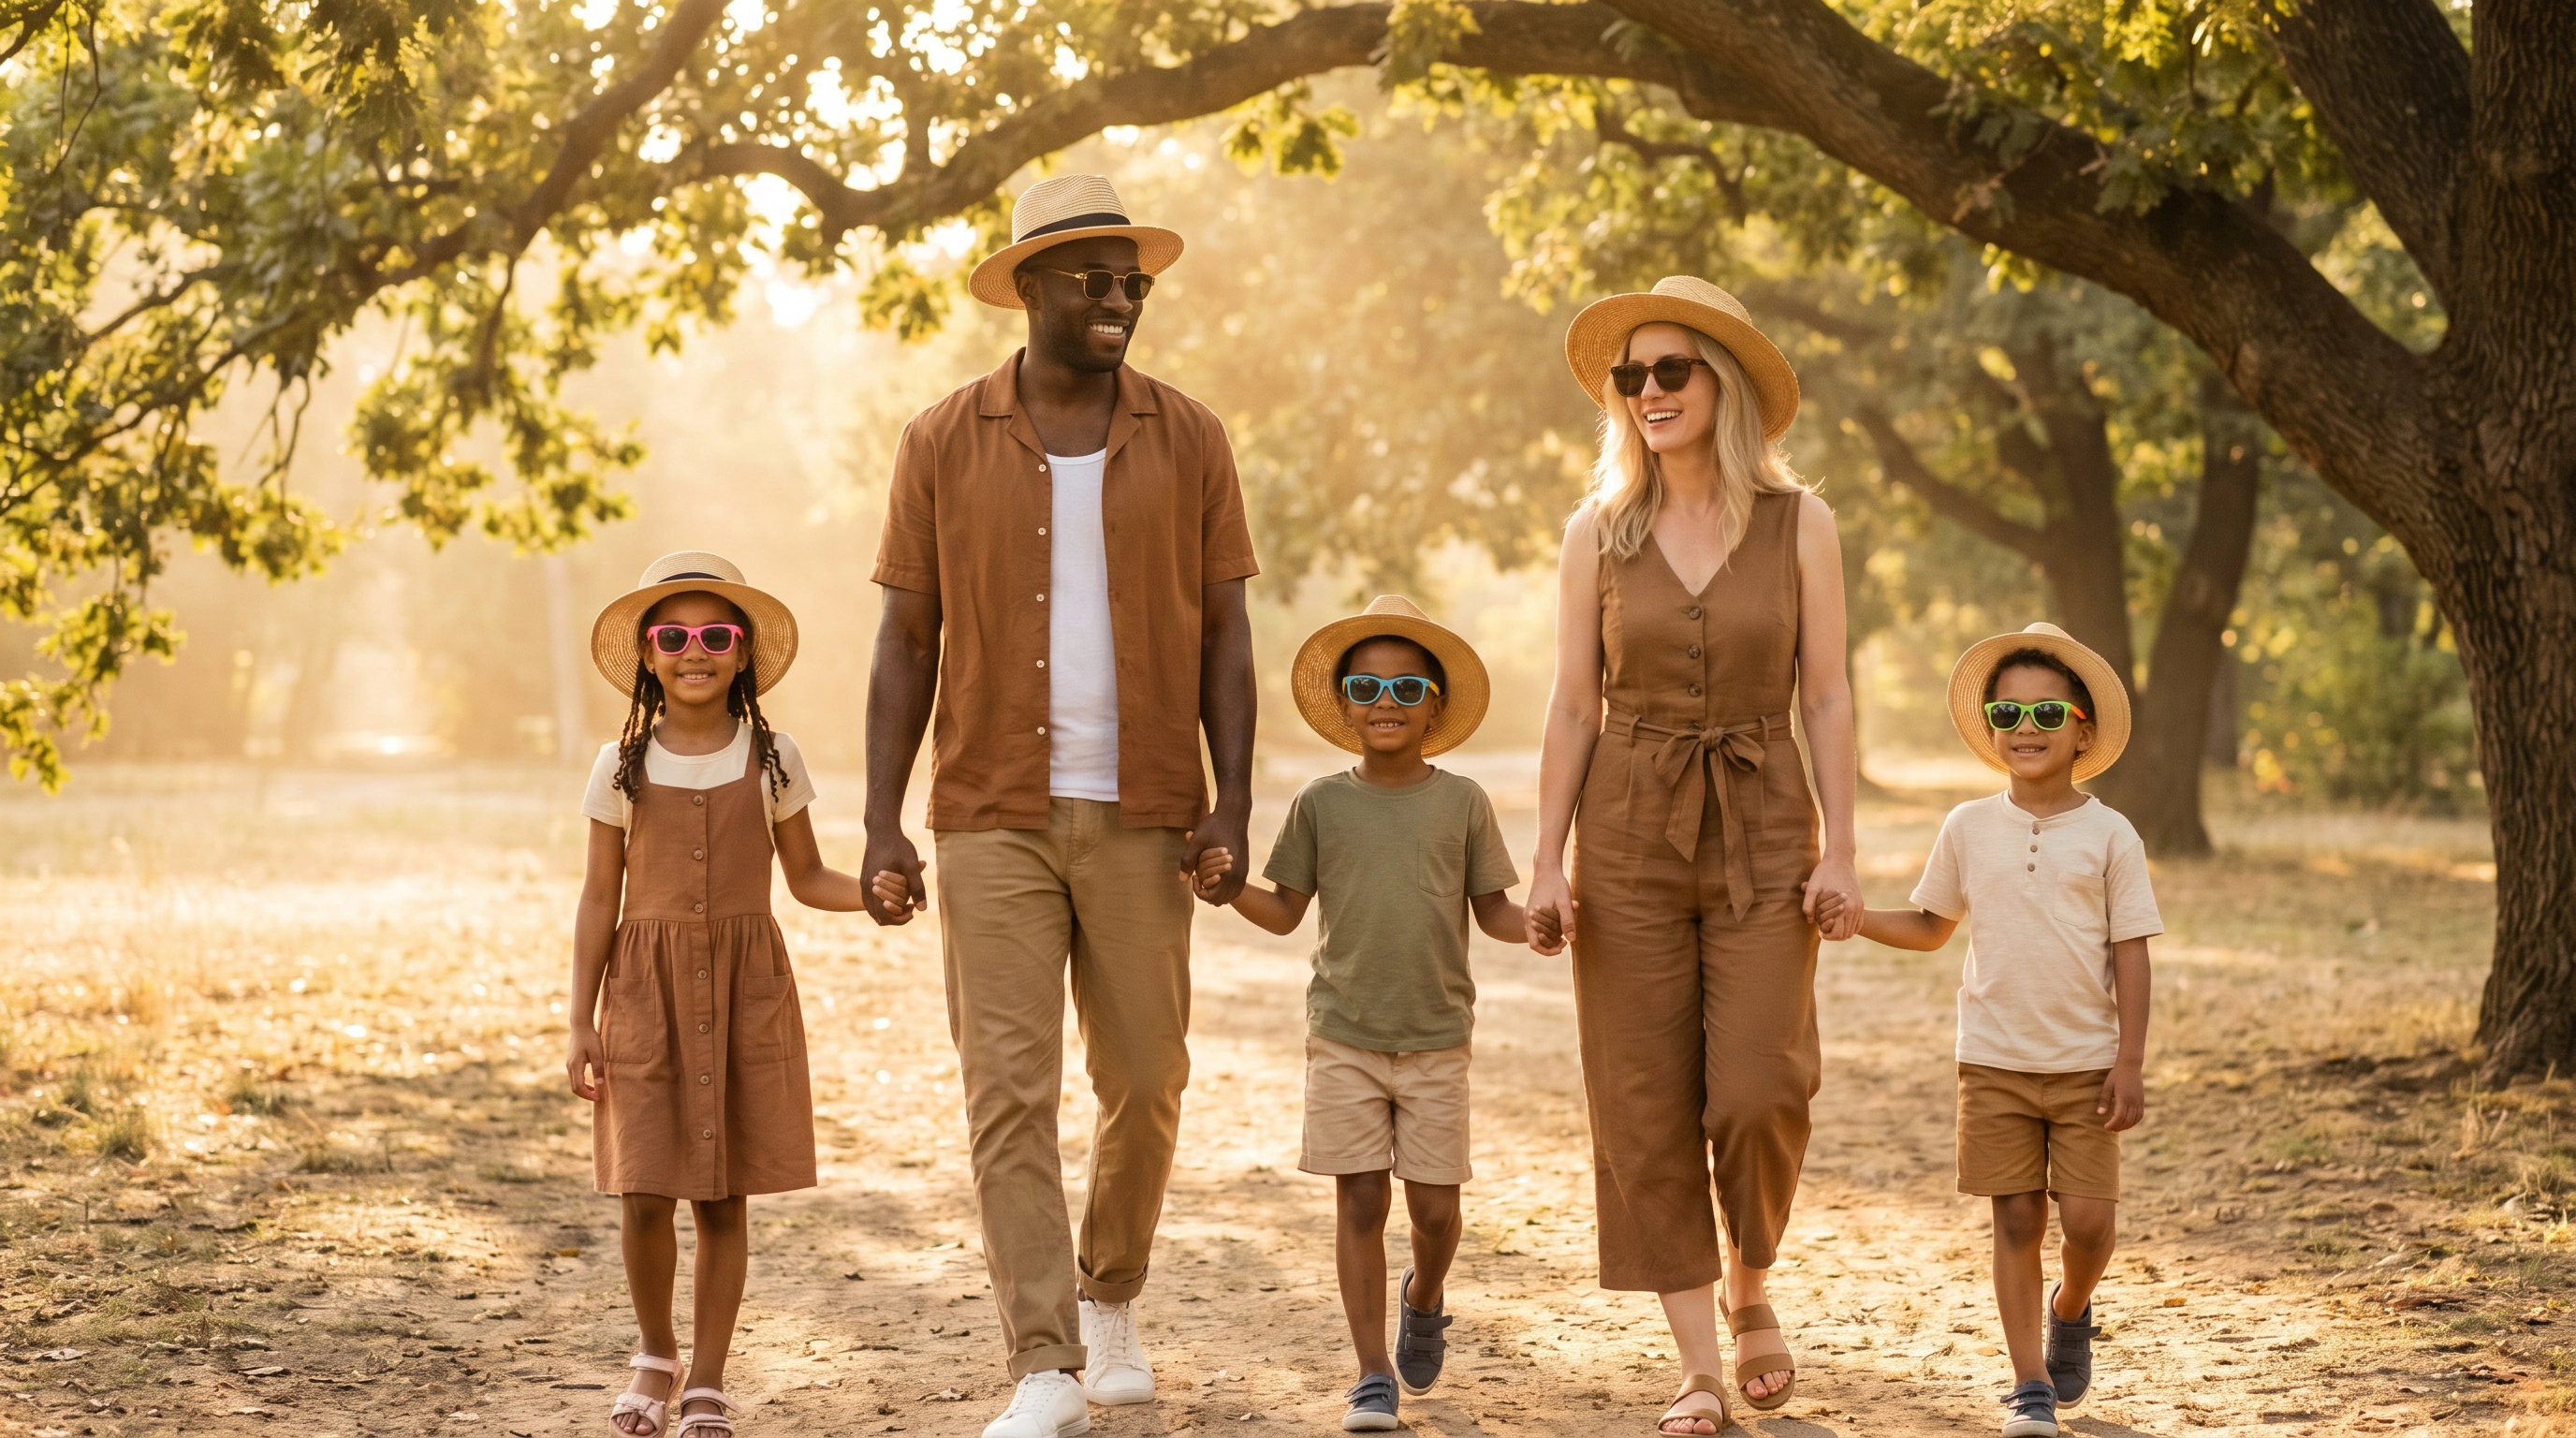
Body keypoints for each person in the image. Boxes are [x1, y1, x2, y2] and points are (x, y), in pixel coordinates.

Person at [860, 172, 1259, 1438]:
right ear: (1029, 286)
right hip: (991, 811)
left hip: (1146, 809)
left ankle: (1110, 1295)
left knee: (1145, 1077)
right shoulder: (941, 440)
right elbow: (905, 639)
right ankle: (1044, 1363)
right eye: (1095, 278)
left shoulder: (1191, 437)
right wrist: (880, 820)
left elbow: (1229, 635)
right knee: (1007, 1093)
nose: (1121, 297)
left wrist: (1232, 801)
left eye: (1132, 281)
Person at [1522, 276, 1864, 1435]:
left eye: (1673, 369)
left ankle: (1749, 1279)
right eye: (1632, 376)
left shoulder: (1799, 522)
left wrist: (1843, 849)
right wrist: (1547, 861)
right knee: (1640, 1098)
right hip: (1625, 832)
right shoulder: (1595, 532)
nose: (1649, 391)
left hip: (1766, 825)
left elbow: (1826, 696)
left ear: (1724, 384)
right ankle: (1699, 1366)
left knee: (1762, 1088)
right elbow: (1574, 705)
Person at [1193, 596, 1527, 1433]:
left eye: (1408, 688)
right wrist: (1226, 890)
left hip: (1437, 1039)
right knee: (1360, 1202)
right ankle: (1372, 1373)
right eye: (1367, 687)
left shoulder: (1463, 803)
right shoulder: (1320, 804)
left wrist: (1548, 927)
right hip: (1342, 1035)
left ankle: (1426, 1294)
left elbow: (1494, 910)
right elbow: (1284, 912)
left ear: (1434, 708)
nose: (1387, 701)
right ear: (1343, 705)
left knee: (1436, 1212)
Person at [1815, 624, 2159, 1438]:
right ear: (1991, 728)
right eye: (2007, 713)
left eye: (2046, 712)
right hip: (1993, 1062)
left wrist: (2130, 1061)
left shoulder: (2111, 835)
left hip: (2085, 1065)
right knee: (2015, 1220)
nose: (2025, 727)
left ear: (2083, 730)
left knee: (2089, 1225)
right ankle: (2029, 1385)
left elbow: (2132, 952)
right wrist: (1855, 917)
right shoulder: (1967, 826)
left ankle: (2070, 1308)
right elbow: (1932, 927)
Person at [564, 551, 874, 1438]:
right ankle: (655, 1354)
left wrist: (879, 893)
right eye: (672, 637)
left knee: (721, 1193)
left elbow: (808, 877)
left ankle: (707, 1376)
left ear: (742, 653)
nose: (693, 651)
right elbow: (598, 898)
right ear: (647, 656)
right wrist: (579, 1019)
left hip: (744, 991)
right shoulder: (619, 765)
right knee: (642, 1188)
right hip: (644, 995)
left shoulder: (773, 758)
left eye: (714, 635)